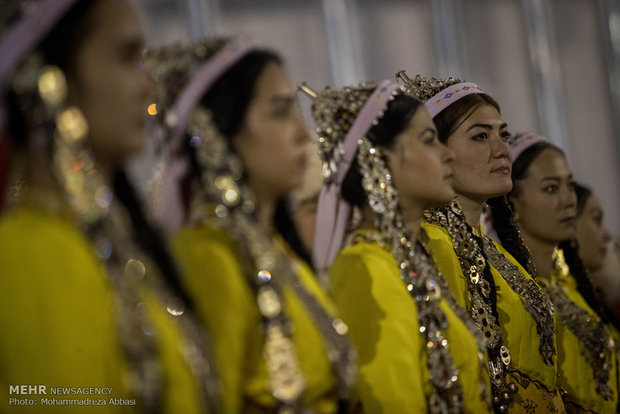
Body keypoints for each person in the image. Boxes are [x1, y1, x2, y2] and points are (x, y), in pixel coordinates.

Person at [0, 0, 217, 413]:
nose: (149, 87)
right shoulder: (34, 249)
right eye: (125, 56)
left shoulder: (111, 246)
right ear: (51, 78)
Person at [147, 37, 356, 413]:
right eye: (280, 113)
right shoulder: (209, 255)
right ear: (219, 130)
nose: (302, 133)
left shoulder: (277, 249)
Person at [300, 80, 491, 413]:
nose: (447, 154)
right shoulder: (365, 267)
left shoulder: (414, 260)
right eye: (429, 140)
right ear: (379, 160)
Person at [398, 73, 563, 412]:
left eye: (503, 135)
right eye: (479, 137)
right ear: (436, 150)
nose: (502, 150)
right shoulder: (436, 244)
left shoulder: (493, 251)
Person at [493, 132, 619, 412]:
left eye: (570, 186)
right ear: (512, 203)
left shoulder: (568, 286)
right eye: (551, 188)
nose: (569, 200)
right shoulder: (508, 293)